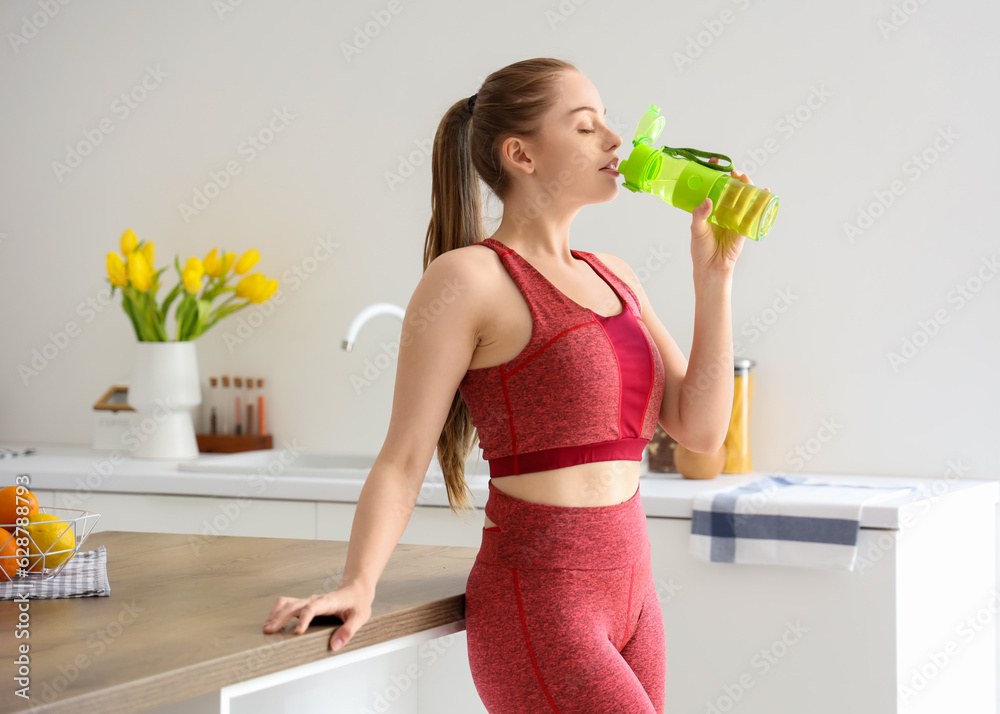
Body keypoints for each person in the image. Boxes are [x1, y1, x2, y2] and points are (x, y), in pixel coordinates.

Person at [262, 56, 760, 713]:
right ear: (521, 154)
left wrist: (714, 279)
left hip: (634, 593)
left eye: (609, 123)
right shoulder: (468, 280)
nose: (617, 141)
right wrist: (359, 581)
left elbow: (699, 431)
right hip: (540, 600)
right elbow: (405, 456)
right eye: (587, 128)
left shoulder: (616, 275)